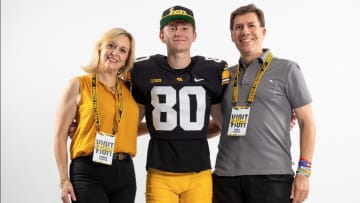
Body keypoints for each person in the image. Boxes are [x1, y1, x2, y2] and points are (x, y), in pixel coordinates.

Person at [212, 4, 316, 203]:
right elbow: (221, 124)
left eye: (251, 25)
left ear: (263, 31)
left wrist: (304, 171)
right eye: (238, 27)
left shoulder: (287, 69)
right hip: (226, 178)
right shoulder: (225, 75)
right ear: (232, 35)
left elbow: (307, 123)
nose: (245, 32)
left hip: (273, 177)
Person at [130, 5, 230, 203]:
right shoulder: (143, 70)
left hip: (199, 172)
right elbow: (129, 125)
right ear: (161, 35)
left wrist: (273, 120)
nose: (179, 33)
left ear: (194, 35)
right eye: (172, 27)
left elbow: (224, 124)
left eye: (185, 28)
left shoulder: (211, 70)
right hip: (160, 173)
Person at [54, 28, 139, 203]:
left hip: (125, 173)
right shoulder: (78, 85)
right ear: (100, 49)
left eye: (123, 50)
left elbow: (130, 128)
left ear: (126, 59)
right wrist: (64, 180)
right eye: (111, 46)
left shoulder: (128, 90)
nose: (115, 53)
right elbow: (59, 137)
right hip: (89, 172)